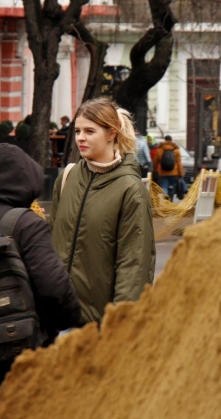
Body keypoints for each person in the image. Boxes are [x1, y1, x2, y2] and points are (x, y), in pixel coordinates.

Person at [0, 143, 81, 419]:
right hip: (11, 361)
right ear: (25, 178)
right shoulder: (26, 224)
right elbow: (54, 290)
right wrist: (67, 320)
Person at [50, 97, 156, 325]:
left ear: (111, 134)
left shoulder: (130, 189)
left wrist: (118, 324)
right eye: (78, 131)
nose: (80, 137)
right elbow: (51, 244)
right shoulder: (67, 178)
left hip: (97, 324)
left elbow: (133, 265)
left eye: (89, 131)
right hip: (56, 317)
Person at [153, 135, 184, 201]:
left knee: (164, 186)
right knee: (172, 186)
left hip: (163, 173)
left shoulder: (160, 150)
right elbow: (179, 163)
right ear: (171, 140)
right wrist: (180, 174)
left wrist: (155, 171)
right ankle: (170, 200)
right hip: (174, 173)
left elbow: (155, 162)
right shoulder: (176, 150)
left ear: (165, 140)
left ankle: (165, 194)